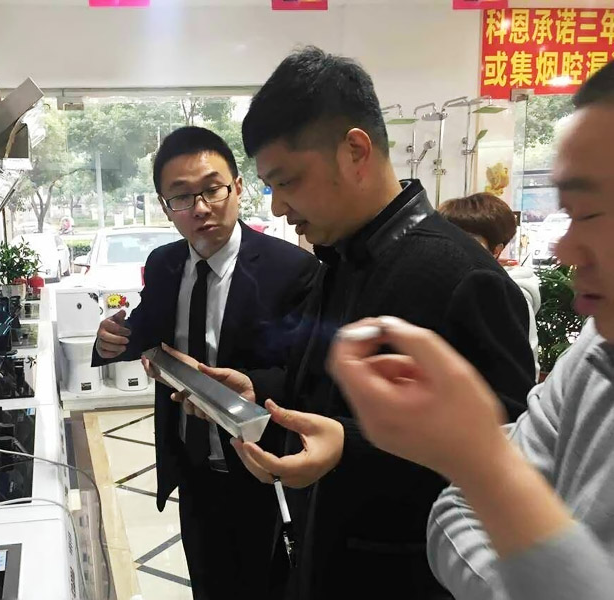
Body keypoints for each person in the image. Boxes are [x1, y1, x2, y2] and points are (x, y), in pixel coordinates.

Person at [169, 47, 536, 599]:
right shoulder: (337, 261)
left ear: (355, 151)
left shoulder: (461, 276)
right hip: (322, 553)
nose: (277, 207)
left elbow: (510, 452)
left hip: (407, 574)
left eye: (287, 181)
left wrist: (349, 447)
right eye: (269, 186)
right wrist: (256, 390)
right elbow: (325, 392)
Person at [328, 60, 614, 600]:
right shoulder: (594, 352)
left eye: (592, 213)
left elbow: (482, 480)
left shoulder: (465, 276)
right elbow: (455, 507)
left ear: (356, 153)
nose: (564, 249)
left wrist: (479, 459)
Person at [91, 126, 319, 599]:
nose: (199, 208)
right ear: (165, 206)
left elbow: (308, 375)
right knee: (208, 583)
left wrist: (251, 386)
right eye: (181, 197)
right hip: (192, 466)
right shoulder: (164, 263)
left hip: (260, 470)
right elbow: (146, 330)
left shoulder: (291, 270)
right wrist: (111, 339)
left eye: (212, 189)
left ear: (238, 187)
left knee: (267, 587)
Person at [439, 193, 541, 377]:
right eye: (445, 236)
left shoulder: (503, 295)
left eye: (468, 240)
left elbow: (519, 375)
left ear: (496, 250)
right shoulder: (442, 277)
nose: (453, 245)